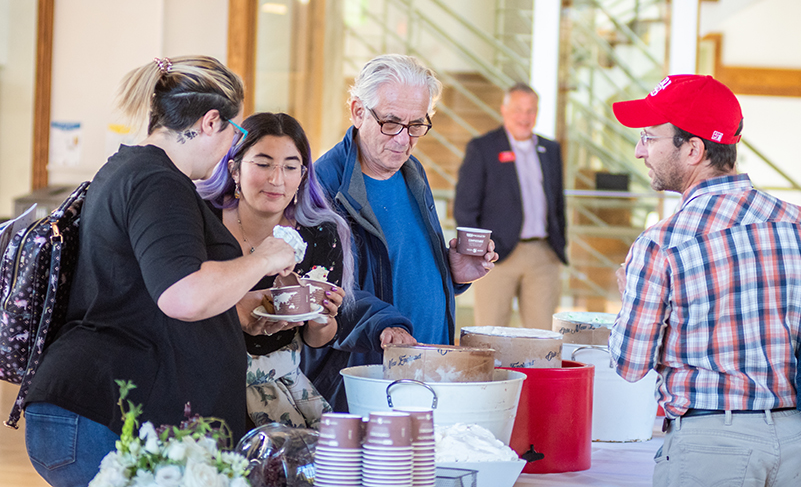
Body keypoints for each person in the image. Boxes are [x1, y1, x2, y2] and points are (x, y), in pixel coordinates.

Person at [23, 57, 297, 487]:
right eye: (234, 131)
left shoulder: (134, 170)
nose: (230, 143)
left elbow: (140, 291)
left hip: (94, 410)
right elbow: (181, 295)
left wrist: (239, 304)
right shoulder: (158, 182)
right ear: (210, 121)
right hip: (105, 415)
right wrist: (265, 258)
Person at [607, 74, 801, 486]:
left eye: (649, 137)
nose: (640, 150)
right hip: (800, 439)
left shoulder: (662, 243)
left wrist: (632, 301)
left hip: (711, 446)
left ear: (693, 149)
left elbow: (629, 364)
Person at [312, 53, 499, 409]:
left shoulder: (413, 173)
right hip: (366, 379)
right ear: (357, 111)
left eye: (416, 126)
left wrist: (452, 272)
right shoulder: (323, 185)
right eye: (391, 123)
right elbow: (325, 289)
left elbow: (406, 262)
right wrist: (386, 323)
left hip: (427, 374)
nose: (403, 139)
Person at [198, 112, 349, 429]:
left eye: (290, 166)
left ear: (303, 174)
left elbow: (317, 337)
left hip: (279, 391)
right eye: (263, 164)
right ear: (234, 168)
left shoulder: (319, 235)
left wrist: (324, 318)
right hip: (199, 382)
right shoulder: (200, 222)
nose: (277, 179)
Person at [454, 83, 567, 330]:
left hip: (542, 255)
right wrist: (477, 254)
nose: (524, 117)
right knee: (490, 332)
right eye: (518, 109)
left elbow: (558, 201)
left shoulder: (550, 149)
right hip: (496, 256)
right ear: (504, 110)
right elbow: (465, 207)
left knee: (543, 335)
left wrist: (560, 243)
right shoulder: (483, 148)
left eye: (530, 110)